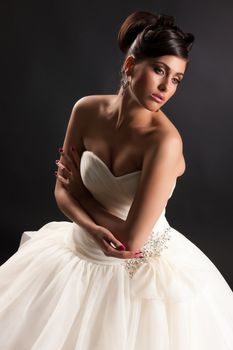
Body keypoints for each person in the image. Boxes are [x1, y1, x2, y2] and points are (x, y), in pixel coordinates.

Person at [0, 10, 233, 350]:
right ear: (129, 66)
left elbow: (132, 240)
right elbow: (61, 191)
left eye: (177, 79)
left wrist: (81, 195)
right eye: (159, 70)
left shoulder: (164, 141)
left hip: (138, 271)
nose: (167, 87)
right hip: (78, 246)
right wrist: (89, 226)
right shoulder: (86, 110)